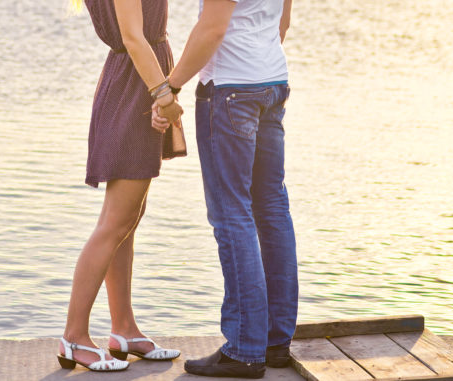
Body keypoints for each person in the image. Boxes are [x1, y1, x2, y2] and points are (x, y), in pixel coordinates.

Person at [152, 0, 297, 378]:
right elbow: (282, 22)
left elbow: (212, 29)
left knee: (232, 214)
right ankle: (273, 342)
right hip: (272, 82)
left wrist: (169, 87)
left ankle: (245, 350)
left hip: (231, 89)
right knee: (271, 208)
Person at [57, 0, 184, 372]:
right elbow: (133, 36)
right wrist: (163, 94)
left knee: (127, 220)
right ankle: (74, 336)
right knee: (115, 223)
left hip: (138, 80)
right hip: (136, 87)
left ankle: (124, 330)